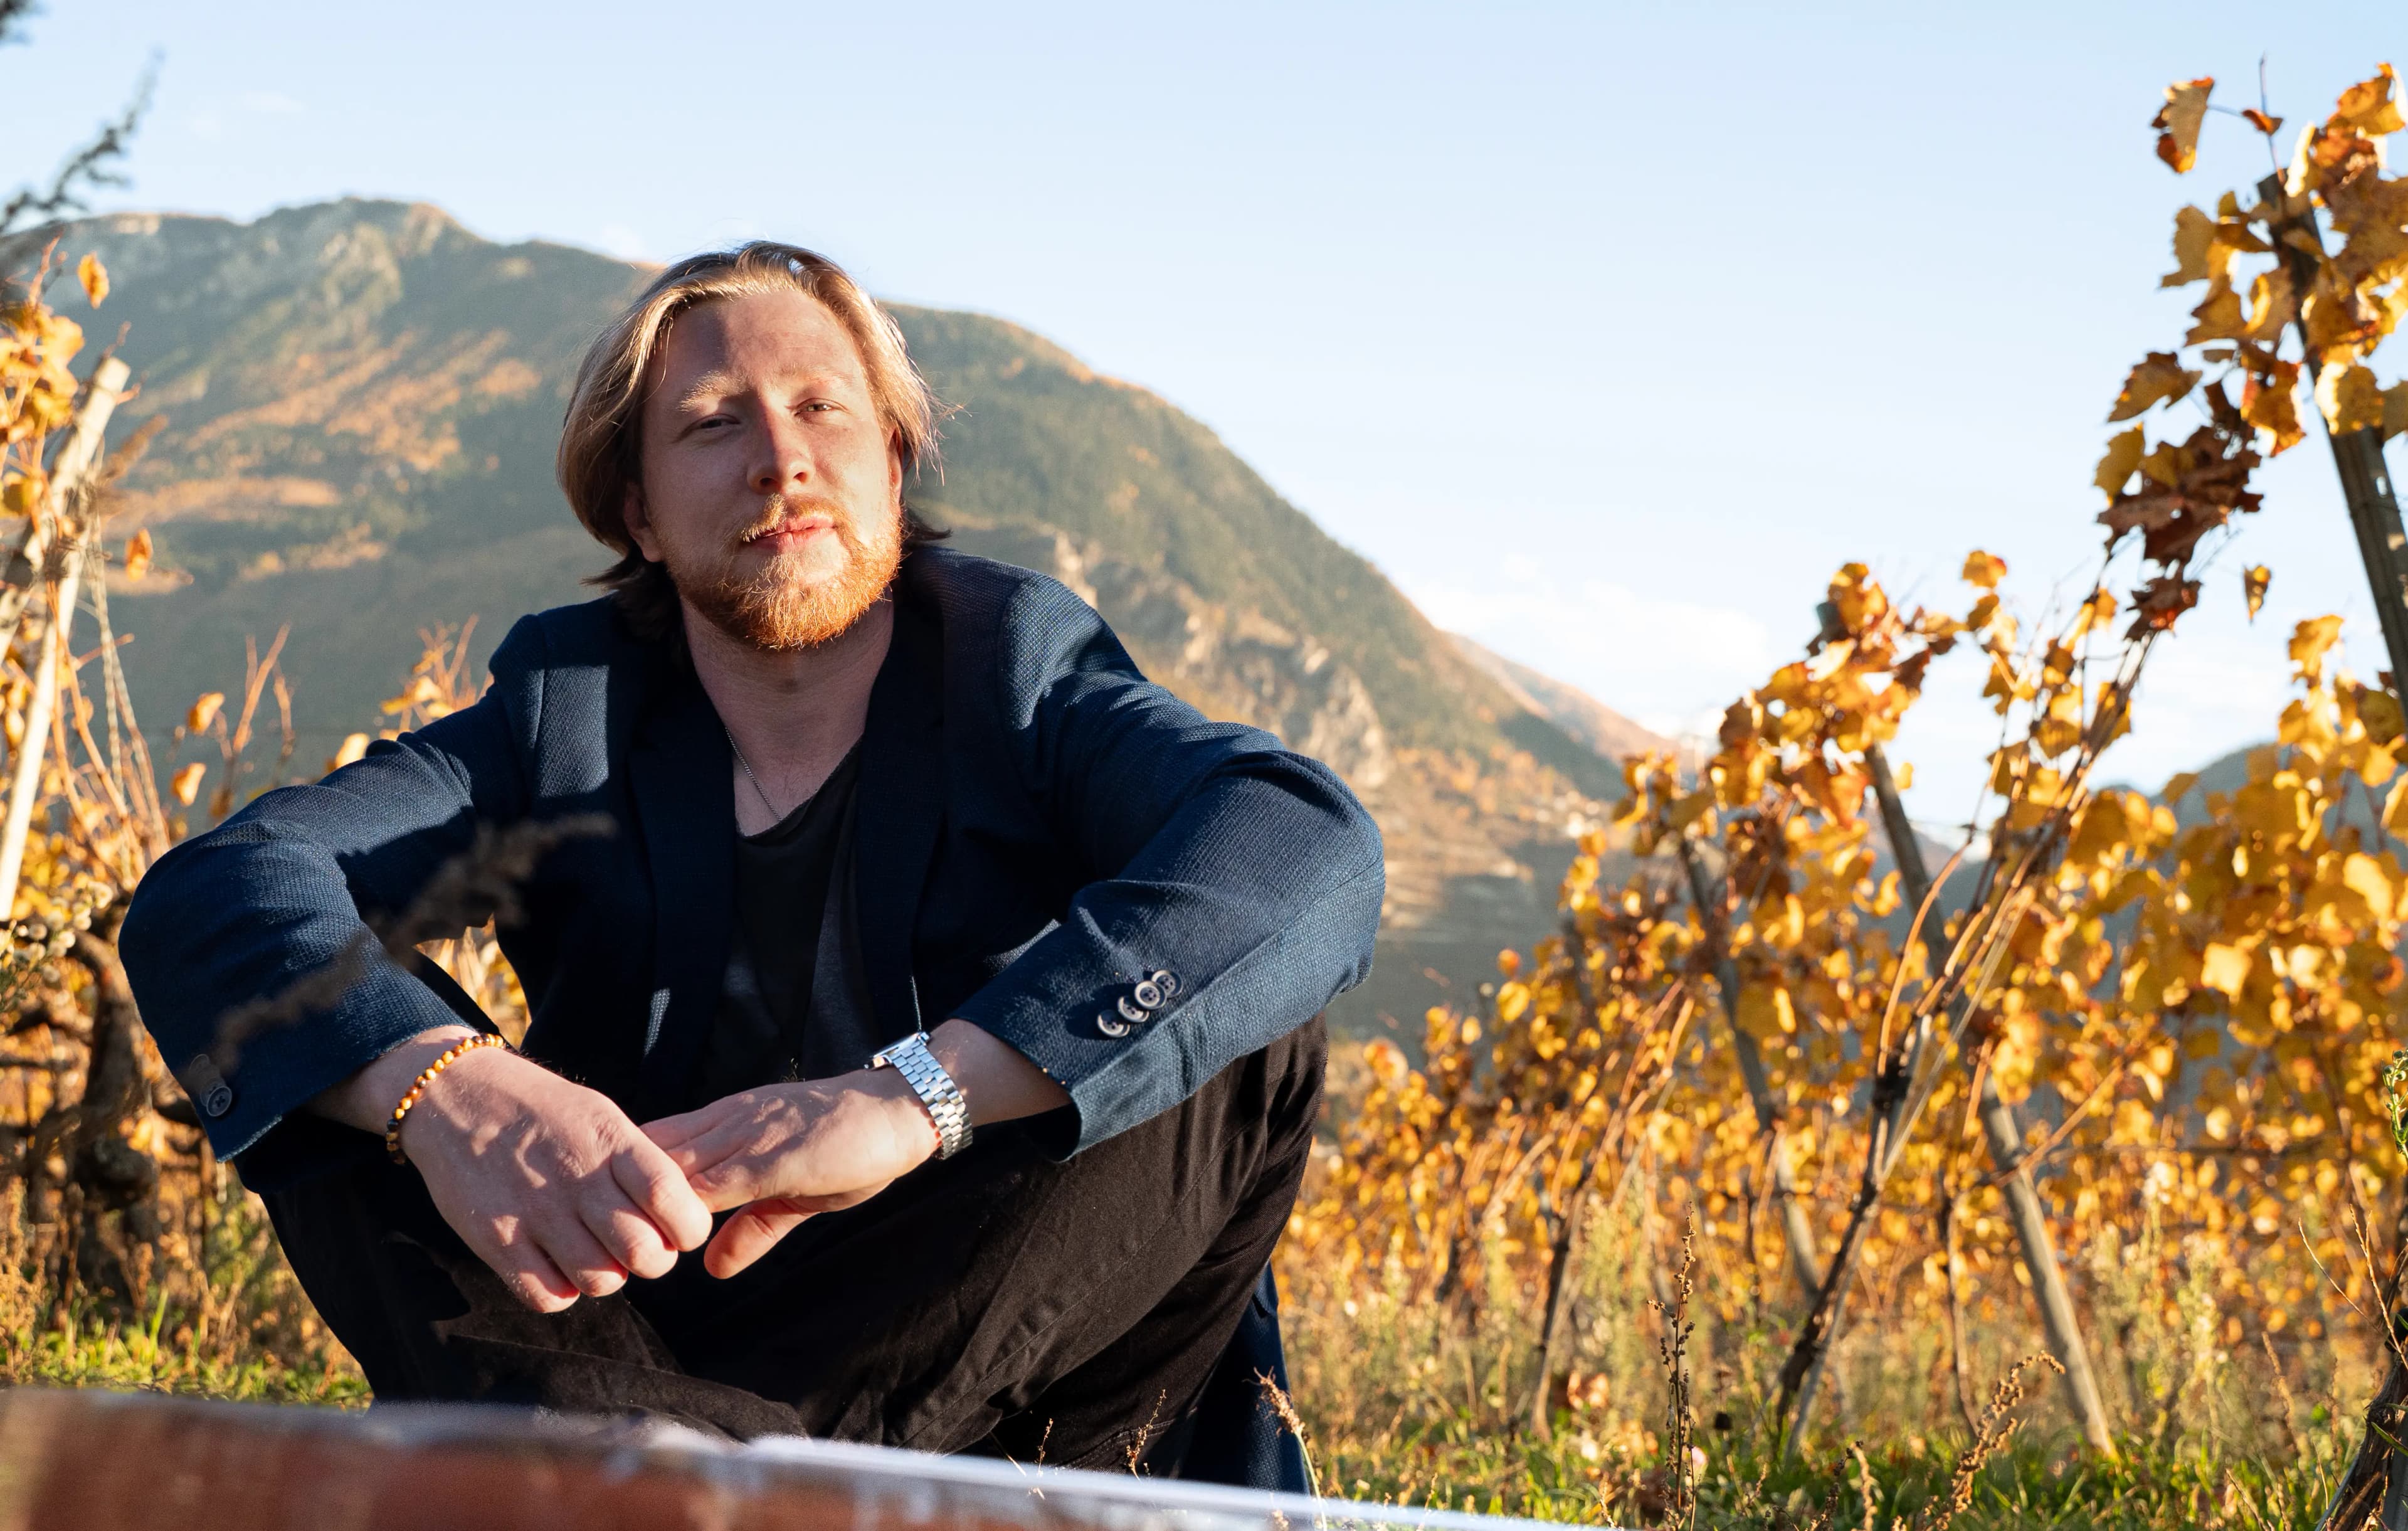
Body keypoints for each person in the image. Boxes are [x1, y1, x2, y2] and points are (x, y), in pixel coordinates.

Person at [120, 243, 1383, 1487]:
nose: (779, 458)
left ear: (891, 466)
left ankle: (694, 1484)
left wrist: (910, 1100)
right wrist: (442, 1090)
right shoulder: (565, 714)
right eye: (714, 423)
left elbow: (1305, 843)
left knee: (1228, 1004)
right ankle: (677, 1468)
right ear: (640, 516)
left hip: (991, 1363)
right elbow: (222, 889)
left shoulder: (1019, 675)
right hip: (636, 1322)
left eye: (823, 409)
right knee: (346, 1047)